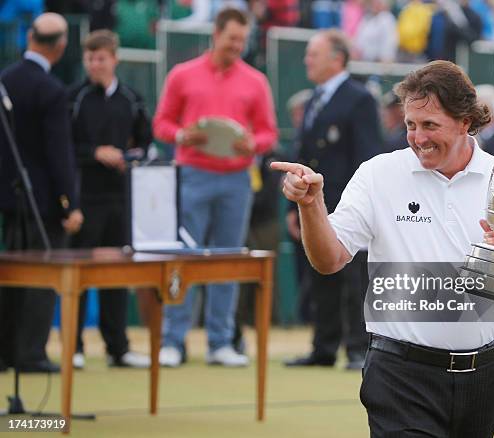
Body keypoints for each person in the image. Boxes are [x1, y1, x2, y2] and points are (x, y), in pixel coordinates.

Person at [272, 60, 494, 436]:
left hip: (485, 377)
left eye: (430, 125)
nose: (418, 137)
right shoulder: (378, 173)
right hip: (399, 377)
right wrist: (310, 206)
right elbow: (330, 259)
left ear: (466, 122)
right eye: (410, 125)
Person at [153, 7, 277, 368]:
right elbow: (161, 123)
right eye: (232, 38)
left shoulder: (256, 81)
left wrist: (252, 144)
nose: (238, 45)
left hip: (237, 180)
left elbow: (268, 131)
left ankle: (219, 343)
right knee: (184, 258)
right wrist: (181, 135)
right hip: (192, 174)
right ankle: (173, 341)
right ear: (216, 34)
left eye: (243, 39)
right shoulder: (182, 75)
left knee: (228, 258)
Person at [284, 29, 381, 370]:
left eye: (314, 54)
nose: (307, 60)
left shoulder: (360, 98)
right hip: (314, 202)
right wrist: (295, 207)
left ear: (337, 58)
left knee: (351, 276)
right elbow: (302, 156)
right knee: (319, 272)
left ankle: (357, 348)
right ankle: (323, 347)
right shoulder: (314, 99)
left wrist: (360, 203)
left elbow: (367, 155)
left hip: (346, 201)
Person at [0, 13, 83, 373]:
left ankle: (4, 353)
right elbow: (58, 154)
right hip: (42, 203)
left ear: (30, 38)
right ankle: (30, 354)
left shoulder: (5, 80)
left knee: (11, 275)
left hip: (8, 199)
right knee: (42, 278)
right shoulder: (51, 90)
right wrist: (70, 203)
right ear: (61, 47)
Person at [68, 29, 153, 369]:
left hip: (121, 200)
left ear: (114, 59)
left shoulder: (132, 99)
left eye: (101, 58)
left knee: (117, 274)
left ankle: (117, 348)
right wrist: (94, 153)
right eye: (90, 58)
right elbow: (64, 148)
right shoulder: (73, 98)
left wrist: (127, 157)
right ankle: (73, 347)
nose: (95, 64)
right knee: (79, 274)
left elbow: (147, 146)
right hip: (84, 200)